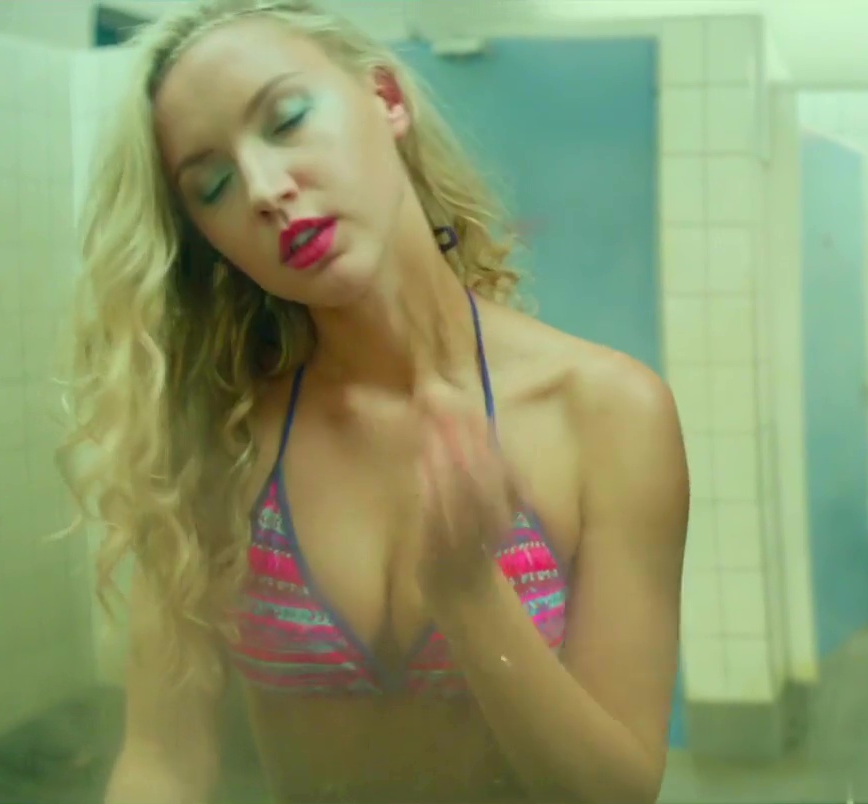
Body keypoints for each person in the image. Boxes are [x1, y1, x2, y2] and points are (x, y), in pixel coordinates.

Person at [60, 1, 688, 802]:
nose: (264, 190)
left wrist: (471, 598)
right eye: (212, 185)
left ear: (387, 99)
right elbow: (162, 759)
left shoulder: (608, 413)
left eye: (287, 120)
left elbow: (617, 793)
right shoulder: (221, 434)